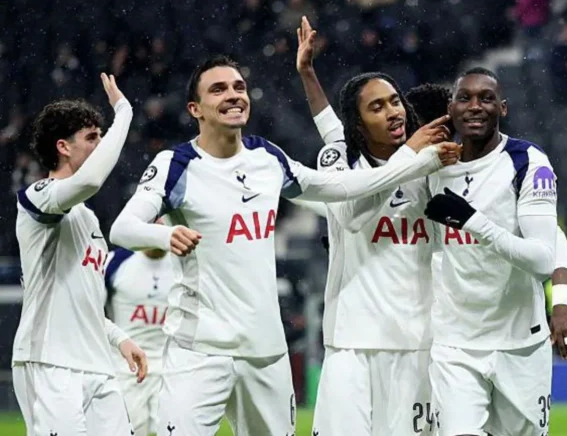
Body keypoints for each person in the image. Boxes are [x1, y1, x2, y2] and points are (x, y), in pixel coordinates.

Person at [109, 55, 459, 436]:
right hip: (199, 349)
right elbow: (124, 228)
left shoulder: (267, 159)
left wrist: (413, 159)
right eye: (218, 89)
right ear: (196, 109)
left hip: (267, 352)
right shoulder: (176, 164)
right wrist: (164, 235)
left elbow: (341, 189)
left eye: (239, 87)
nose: (233, 95)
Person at [298, 16, 446, 435]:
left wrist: (308, 73)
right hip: (352, 340)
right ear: (358, 125)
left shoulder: (429, 163)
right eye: (377, 107)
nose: (394, 111)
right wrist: (410, 158)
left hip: (418, 341)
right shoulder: (339, 159)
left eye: (395, 101)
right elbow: (351, 214)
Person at [422, 67, 565, 436]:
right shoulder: (431, 167)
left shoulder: (528, 161)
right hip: (455, 342)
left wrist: (474, 222)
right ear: (450, 109)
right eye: (464, 98)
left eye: (486, 98)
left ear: (503, 108)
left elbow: (542, 258)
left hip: (520, 340)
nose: (475, 106)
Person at [13, 73, 147, 435]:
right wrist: (124, 112)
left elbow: (82, 302)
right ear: (63, 147)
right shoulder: (36, 198)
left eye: (102, 136)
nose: (101, 145)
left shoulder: (88, 218)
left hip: (99, 367)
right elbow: (89, 181)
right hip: (49, 364)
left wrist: (120, 339)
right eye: (92, 138)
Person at [104, 222, 172, 436]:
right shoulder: (115, 262)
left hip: (174, 370)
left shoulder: (186, 263)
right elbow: (93, 312)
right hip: (127, 372)